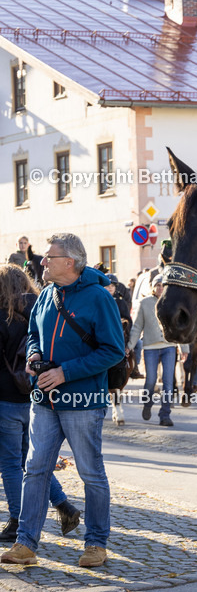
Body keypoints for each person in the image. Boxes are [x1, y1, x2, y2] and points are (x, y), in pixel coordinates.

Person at [0, 233, 125, 568]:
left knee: (90, 473)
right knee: (35, 470)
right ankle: (26, 543)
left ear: (69, 262)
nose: (42, 261)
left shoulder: (98, 297)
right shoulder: (46, 295)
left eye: (49, 257)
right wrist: (34, 355)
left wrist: (65, 373)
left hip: (83, 401)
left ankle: (96, 544)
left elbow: (113, 350)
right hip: (43, 400)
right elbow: (33, 335)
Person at [0, 266, 80, 543]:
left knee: (11, 464)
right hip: (31, 398)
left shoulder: (3, 318)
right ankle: (64, 507)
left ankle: (16, 522)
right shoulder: (40, 313)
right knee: (31, 463)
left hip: (5, 400)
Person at [128, 277, 186, 425]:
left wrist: (184, 348)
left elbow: (180, 326)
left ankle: (165, 415)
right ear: (152, 287)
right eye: (157, 285)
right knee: (151, 380)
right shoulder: (144, 303)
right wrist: (129, 346)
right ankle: (147, 404)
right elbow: (136, 327)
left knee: (168, 382)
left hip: (169, 347)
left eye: (163, 286)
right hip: (150, 348)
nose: (160, 288)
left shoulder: (172, 303)